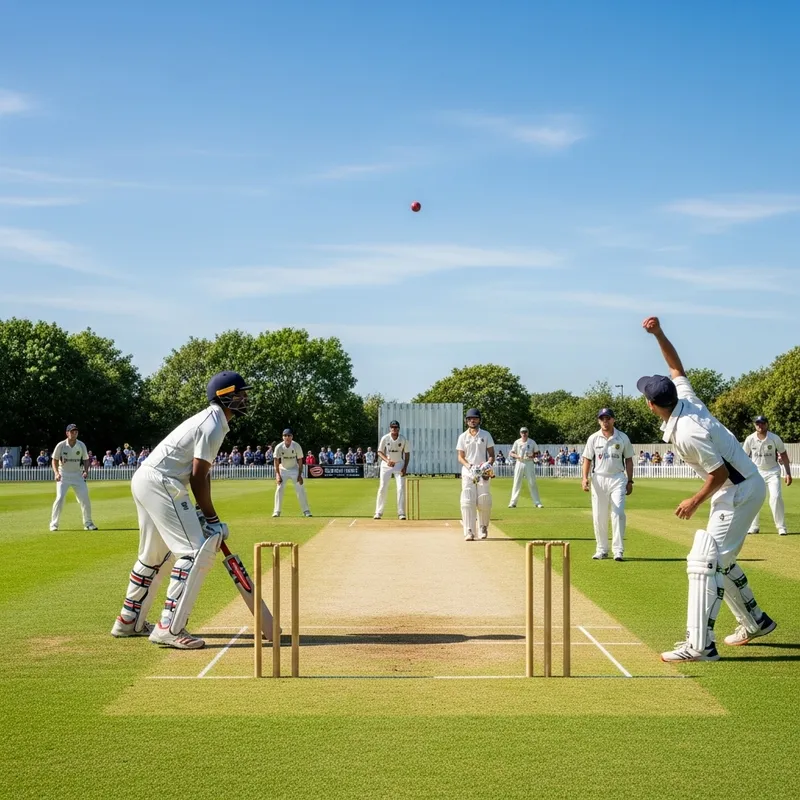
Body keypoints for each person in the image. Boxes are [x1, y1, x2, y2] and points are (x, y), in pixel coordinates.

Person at [639, 316, 776, 662]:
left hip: (737, 492)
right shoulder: (685, 399)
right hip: (740, 487)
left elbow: (716, 474)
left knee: (702, 562)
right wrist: (659, 334)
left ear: (653, 405)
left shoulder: (687, 431)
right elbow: (675, 366)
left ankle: (700, 646)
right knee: (722, 562)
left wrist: (694, 500)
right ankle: (755, 621)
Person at [111, 370, 249, 649]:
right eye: (240, 393)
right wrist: (211, 518)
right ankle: (169, 628)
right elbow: (198, 477)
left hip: (147, 479)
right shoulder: (212, 424)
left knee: (154, 555)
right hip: (163, 481)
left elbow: (202, 474)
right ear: (224, 397)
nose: (245, 398)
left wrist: (205, 513)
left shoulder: (213, 421)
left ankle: (128, 620)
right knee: (194, 551)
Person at [582, 409, 634, 561]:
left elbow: (629, 459)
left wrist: (630, 480)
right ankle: (602, 549)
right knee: (599, 515)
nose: (605, 421)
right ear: (599, 421)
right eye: (602, 419)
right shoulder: (593, 438)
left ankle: (618, 550)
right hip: (599, 479)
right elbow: (587, 459)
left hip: (618, 478)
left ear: (613, 420)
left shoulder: (622, 437)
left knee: (618, 513)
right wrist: (584, 478)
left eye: (608, 418)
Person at [744, 416, 792, 535]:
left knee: (775, 497)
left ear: (767, 424)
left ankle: (781, 527)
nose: (759, 426)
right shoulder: (750, 439)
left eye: (762, 423)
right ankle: (754, 526)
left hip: (772, 472)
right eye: (757, 424)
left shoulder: (774, 438)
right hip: (756, 472)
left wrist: (788, 473)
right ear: (755, 425)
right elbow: (743, 457)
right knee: (754, 499)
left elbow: (784, 455)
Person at [456, 409, 495, 541]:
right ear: (466, 421)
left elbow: (491, 455)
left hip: (483, 471)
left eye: (475, 418)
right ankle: (469, 530)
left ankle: (483, 527)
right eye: (470, 419)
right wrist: (470, 466)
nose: (472, 420)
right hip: (469, 471)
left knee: (484, 500)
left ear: (479, 420)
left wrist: (487, 465)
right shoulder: (463, 436)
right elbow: (460, 457)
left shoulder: (486, 435)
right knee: (467, 500)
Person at [50, 424, 98, 532]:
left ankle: (88, 523)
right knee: (60, 498)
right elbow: (54, 460)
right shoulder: (61, 445)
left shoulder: (81, 445)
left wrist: (86, 471)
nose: (74, 433)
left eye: (76, 431)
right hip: (64, 475)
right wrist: (56, 473)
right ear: (67, 433)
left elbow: (86, 459)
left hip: (77, 475)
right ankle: (54, 524)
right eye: (72, 431)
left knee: (85, 499)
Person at [374, 420, 411, 520]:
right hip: (386, 465)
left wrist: (405, 467)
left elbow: (407, 454)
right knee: (382, 487)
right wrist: (387, 460)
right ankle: (378, 512)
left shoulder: (403, 439)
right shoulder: (385, 438)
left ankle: (401, 513)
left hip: (399, 464)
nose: (394, 429)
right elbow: (380, 452)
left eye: (395, 427)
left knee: (400, 488)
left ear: (399, 428)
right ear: (390, 428)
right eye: (392, 427)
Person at [272, 428, 312, 518]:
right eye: (285, 436)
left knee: (300, 488)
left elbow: (300, 460)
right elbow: (276, 461)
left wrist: (300, 475)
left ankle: (306, 511)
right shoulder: (279, 447)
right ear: (283, 437)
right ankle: (276, 511)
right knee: (279, 488)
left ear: (292, 437)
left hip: (294, 469)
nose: (287, 437)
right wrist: (277, 475)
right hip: (283, 469)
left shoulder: (296, 446)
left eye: (289, 435)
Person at [508, 427, 543, 508]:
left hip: (529, 462)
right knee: (516, 482)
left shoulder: (532, 442)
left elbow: (537, 453)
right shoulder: (517, 442)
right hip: (519, 462)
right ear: (520, 433)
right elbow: (512, 453)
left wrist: (532, 455)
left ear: (528, 433)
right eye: (522, 432)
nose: (524, 434)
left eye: (525, 432)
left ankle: (537, 502)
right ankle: (513, 502)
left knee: (532, 482)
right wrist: (517, 456)